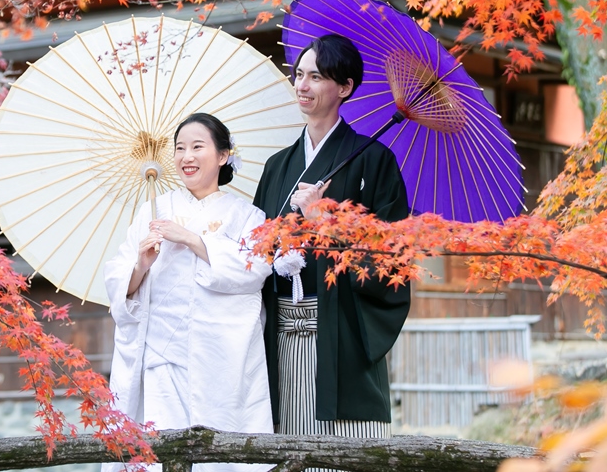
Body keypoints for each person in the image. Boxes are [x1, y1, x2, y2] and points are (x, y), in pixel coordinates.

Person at [253, 33, 410, 438]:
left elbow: (392, 261)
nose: (301, 86)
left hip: (341, 336)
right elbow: (256, 250)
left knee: (344, 452)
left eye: (316, 77)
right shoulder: (277, 167)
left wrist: (326, 220)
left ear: (344, 88)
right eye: (298, 75)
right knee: (288, 450)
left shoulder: (375, 161)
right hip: (281, 333)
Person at [103, 113, 272, 472]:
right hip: (162, 355)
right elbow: (119, 282)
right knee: (162, 451)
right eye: (180, 148)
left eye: (198, 146)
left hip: (221, 357)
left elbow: (255, 270)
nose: (186, 157)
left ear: (223, 155)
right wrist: (141, 265)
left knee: (220, 453)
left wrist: (193, 240)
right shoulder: (154, 210)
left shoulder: (247, 216)